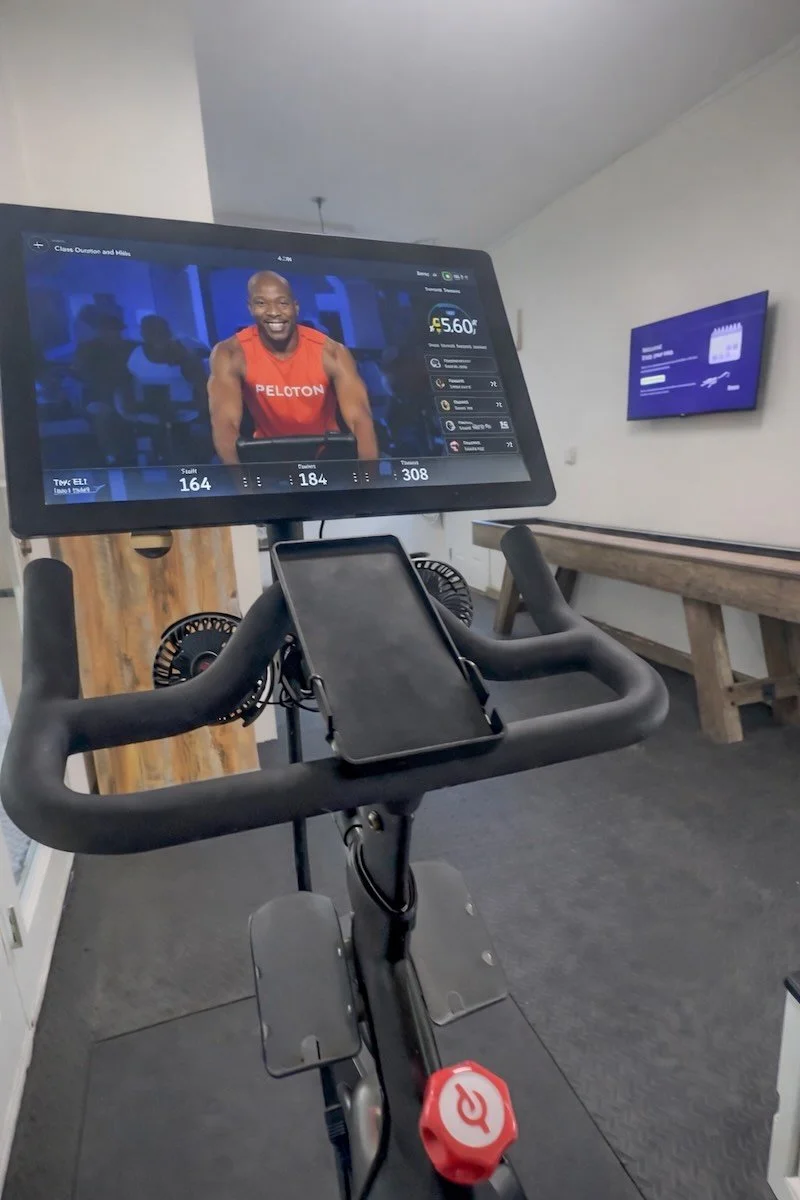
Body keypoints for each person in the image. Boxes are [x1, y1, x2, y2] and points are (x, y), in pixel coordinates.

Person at [207, 271, 378, 464]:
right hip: (267, 455)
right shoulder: (230, 353)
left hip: (327, 454)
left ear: (295, 307)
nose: (273, 312)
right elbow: (224, 424)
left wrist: (368, 486)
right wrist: (245, 487)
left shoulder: (331, 352)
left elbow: (360, 419)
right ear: (250, 308)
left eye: (282, 303)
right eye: (261, 303)